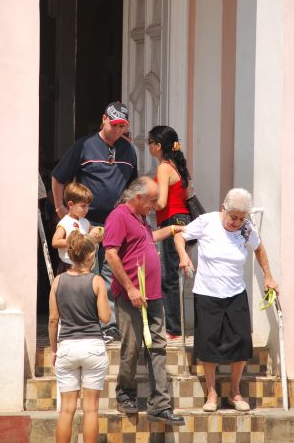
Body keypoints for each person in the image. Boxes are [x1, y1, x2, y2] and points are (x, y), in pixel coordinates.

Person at [174, 188, 279, 412]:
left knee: (240, 341)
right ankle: (211, 393)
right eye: (234, 217)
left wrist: (268, 276)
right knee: (208, 342)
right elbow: (179, 236)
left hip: (235, 293)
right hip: (207, 292)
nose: (237, 223)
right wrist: (184, 256)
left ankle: (235, 392)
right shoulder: (206, 222)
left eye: (242, 218)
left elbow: (259, 248)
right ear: (224, 208)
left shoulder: (246, 229)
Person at [103, 176, 185, 426]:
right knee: (132, 346)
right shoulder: (119, 216)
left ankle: (160, 405)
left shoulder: (141, 218)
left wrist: (172, 230)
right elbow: (110, 253)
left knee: (158, 346)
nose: (155, 206)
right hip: (131, 296)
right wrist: (129, 288)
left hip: (153, 294)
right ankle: (125, 393)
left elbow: (148, 240)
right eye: (151, 201)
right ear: (137, 198)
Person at [52, 102, 138, 339]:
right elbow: (58, 177)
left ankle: (108, 324)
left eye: (122, 126)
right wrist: (60, 207)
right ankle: (84, 323)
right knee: (86, 270)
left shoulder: (129, 151)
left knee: (111, 273)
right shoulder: (85, 146)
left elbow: (132, 187)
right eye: (114, 124)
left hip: (116, 223)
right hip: (87, 224)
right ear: (103, 119)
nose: (118, 130)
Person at [49, 230, 110, 443]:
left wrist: (54, 350)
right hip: (93, 346)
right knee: (91, 410)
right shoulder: (97, 281)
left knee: (66, 410)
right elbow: (104, 317)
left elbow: (53, 320)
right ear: (90, 256)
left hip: (66, 346)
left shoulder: (57, 282)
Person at [147, 126, 191, 339]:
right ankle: (176, 326)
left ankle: (174, 328)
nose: (148, 147)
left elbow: (162, 202)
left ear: (157, 145)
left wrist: (145, 202)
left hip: (171, 222)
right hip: (182, 220)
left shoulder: (164, 168)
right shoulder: (178, 165)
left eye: (150, 143)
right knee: (174, 275)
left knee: (168, 277)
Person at [52, 182, 104, 270]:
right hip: (69, 265)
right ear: (70, 205)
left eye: (88, 206)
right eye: (83, 206)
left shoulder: (85, 221)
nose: (86, 210)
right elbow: (55, 242)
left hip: (84, 265)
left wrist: (99, 232)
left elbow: (94, 231)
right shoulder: (65, 222)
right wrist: (77, 242)